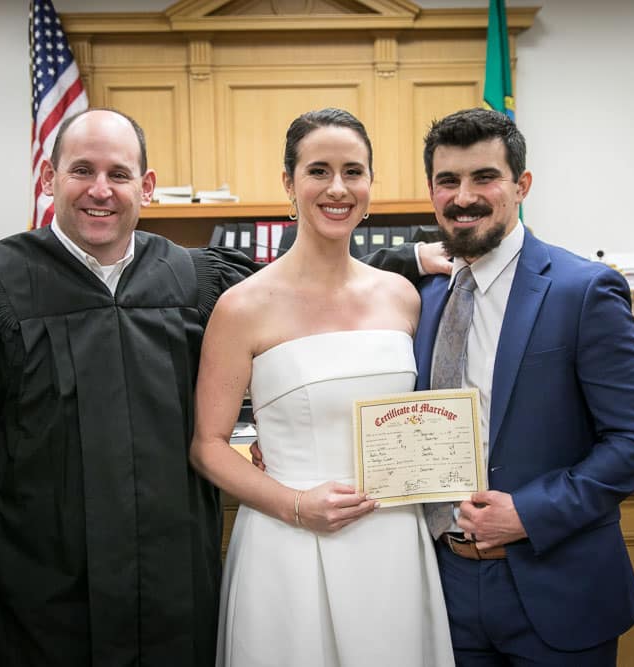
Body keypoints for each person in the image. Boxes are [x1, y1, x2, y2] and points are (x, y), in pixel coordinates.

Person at [0, 107, 441, 667]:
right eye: (82, 170)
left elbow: (317, 289)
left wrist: (415, 256)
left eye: (120, 174)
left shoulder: (195, 280)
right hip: (39, 598)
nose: (100, 190)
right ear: (49, 179)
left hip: (172, 593)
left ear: (146, 186)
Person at [189, 108, 454, 667]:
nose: (338, 188)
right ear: (289, 183)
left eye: (353, 171)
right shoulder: (242, 306)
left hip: (394, 544)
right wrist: (295, 505)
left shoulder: (403, 297)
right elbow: (208, 445)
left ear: (370, 185)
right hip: (290, 541)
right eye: (319, 171)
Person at [414, 109, 634, 664]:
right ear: (431, 191)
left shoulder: (583, 290)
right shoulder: (426, 300)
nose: (465, 197)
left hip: (556, 584)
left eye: (485, 177)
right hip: (442, 590)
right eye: (448, 181)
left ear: (521, 185)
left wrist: (529, 512)